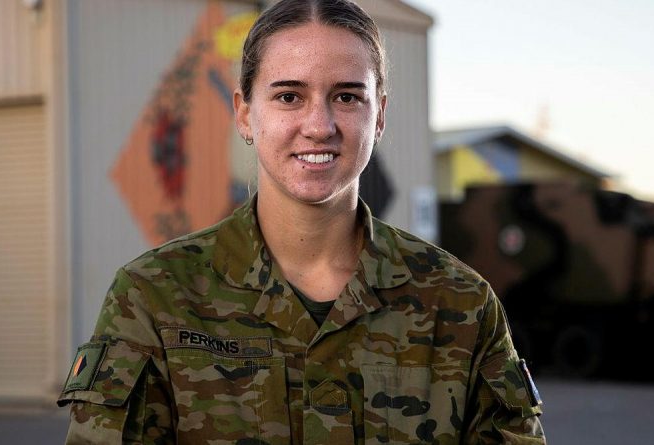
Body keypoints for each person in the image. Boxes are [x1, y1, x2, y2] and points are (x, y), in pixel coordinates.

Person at [57, 0, 546, 443]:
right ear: (245, 114)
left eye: (347, 97)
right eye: (289, 96)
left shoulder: (460, 305)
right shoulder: (154, 298)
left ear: (379, 117)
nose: (319, 126)